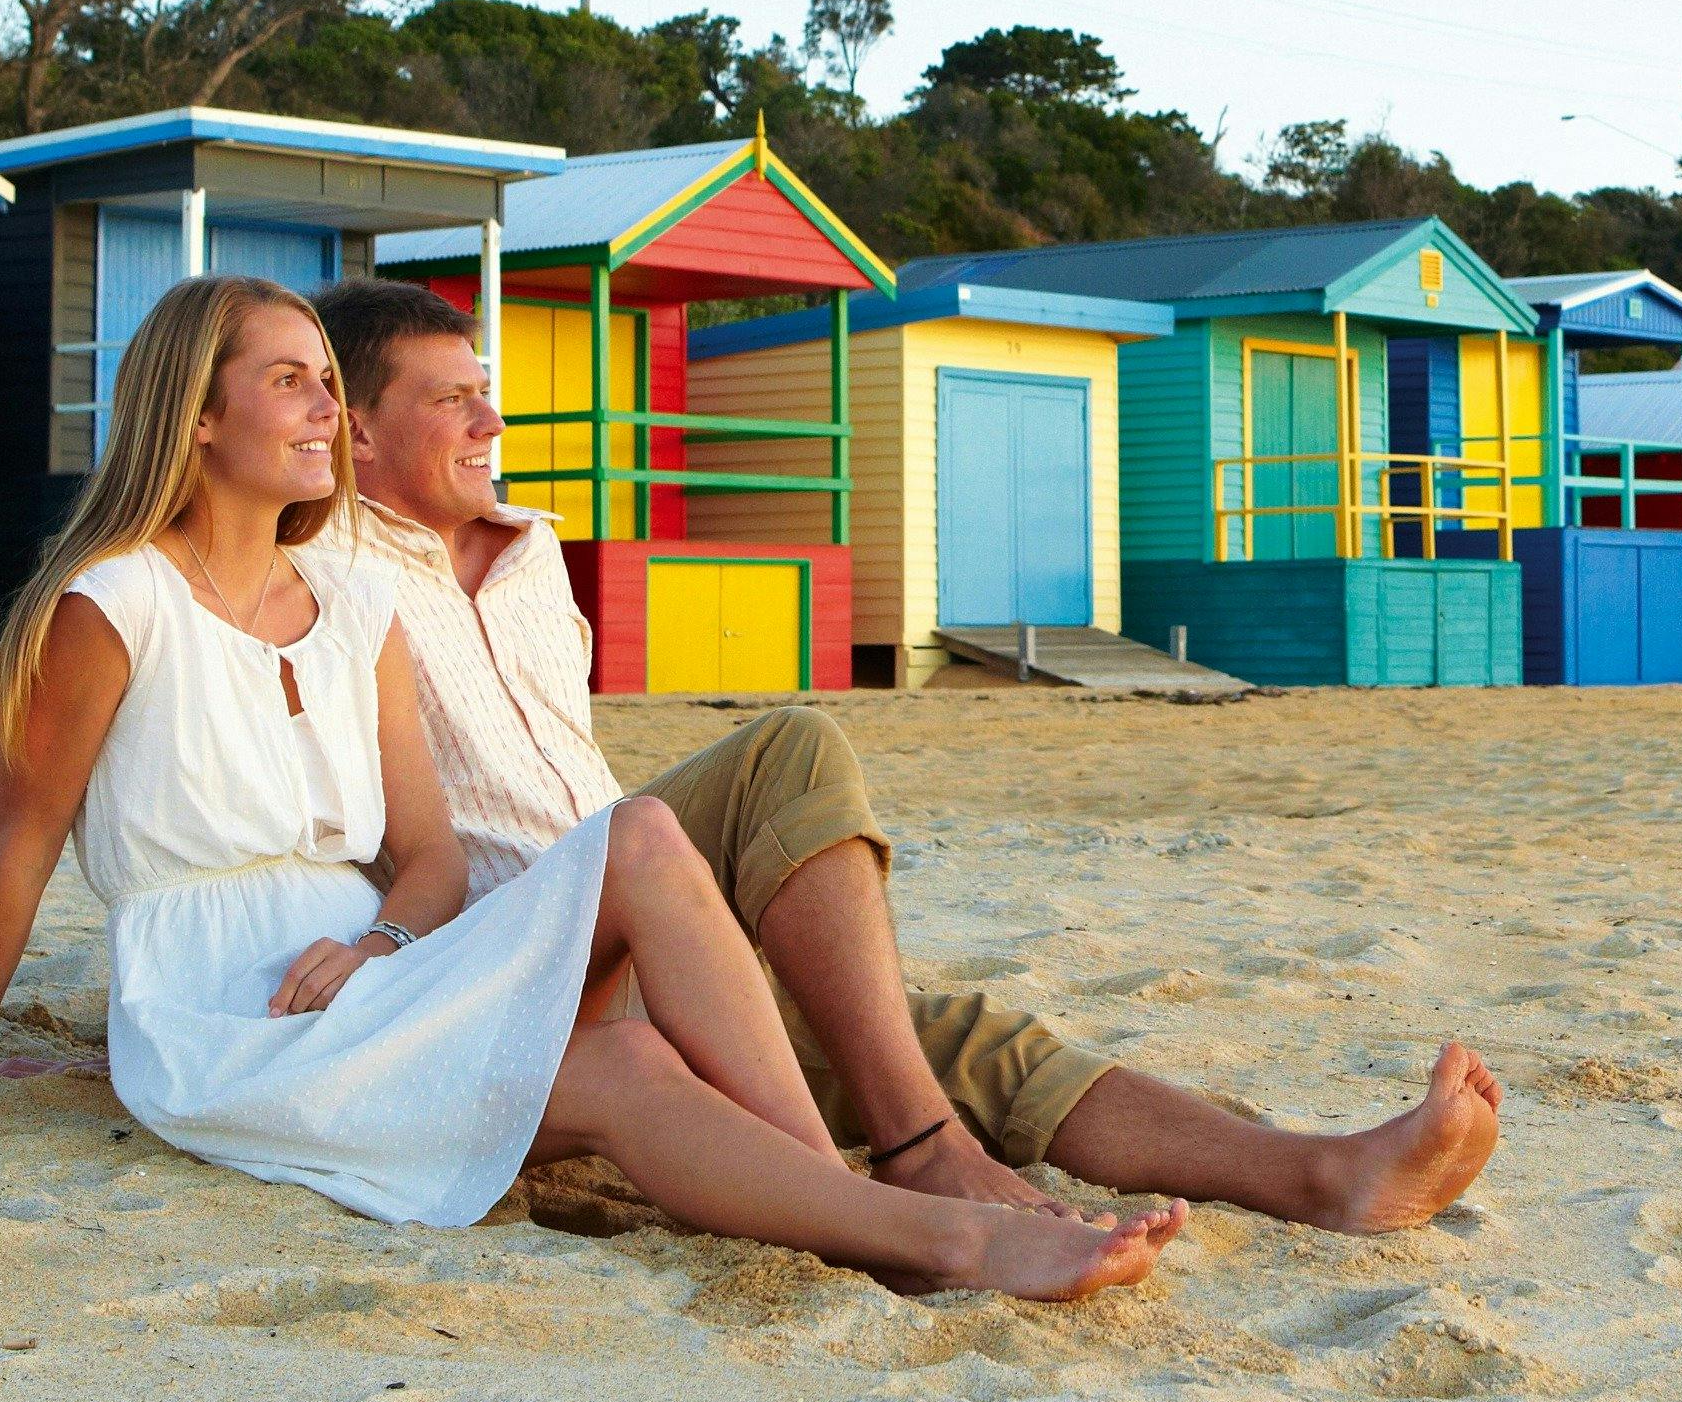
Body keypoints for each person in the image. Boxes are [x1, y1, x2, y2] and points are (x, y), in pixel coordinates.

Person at [0, 273, 1168, 1303]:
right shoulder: (110, 607)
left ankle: (844, 1204)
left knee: (641, 849)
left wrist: (383, 942)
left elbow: (431, 859)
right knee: (625, 1058)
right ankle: (922, 1233)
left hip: (372, 965)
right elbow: (20, 853)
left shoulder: (356, 609)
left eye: (328, 383)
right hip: (223, 1008)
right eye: (291, 382)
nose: (325, 409)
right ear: (198, 416)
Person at [305, 277, 1501, 1233]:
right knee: (791, 747)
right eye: (453, 400)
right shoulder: (317, 573)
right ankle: (914, 1157)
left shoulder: (534, 557)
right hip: (508, 964)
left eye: (487, 393)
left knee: (956, 1039)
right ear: (355, 429)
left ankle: (1322, 1176)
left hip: (646, 924)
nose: (492, 423)